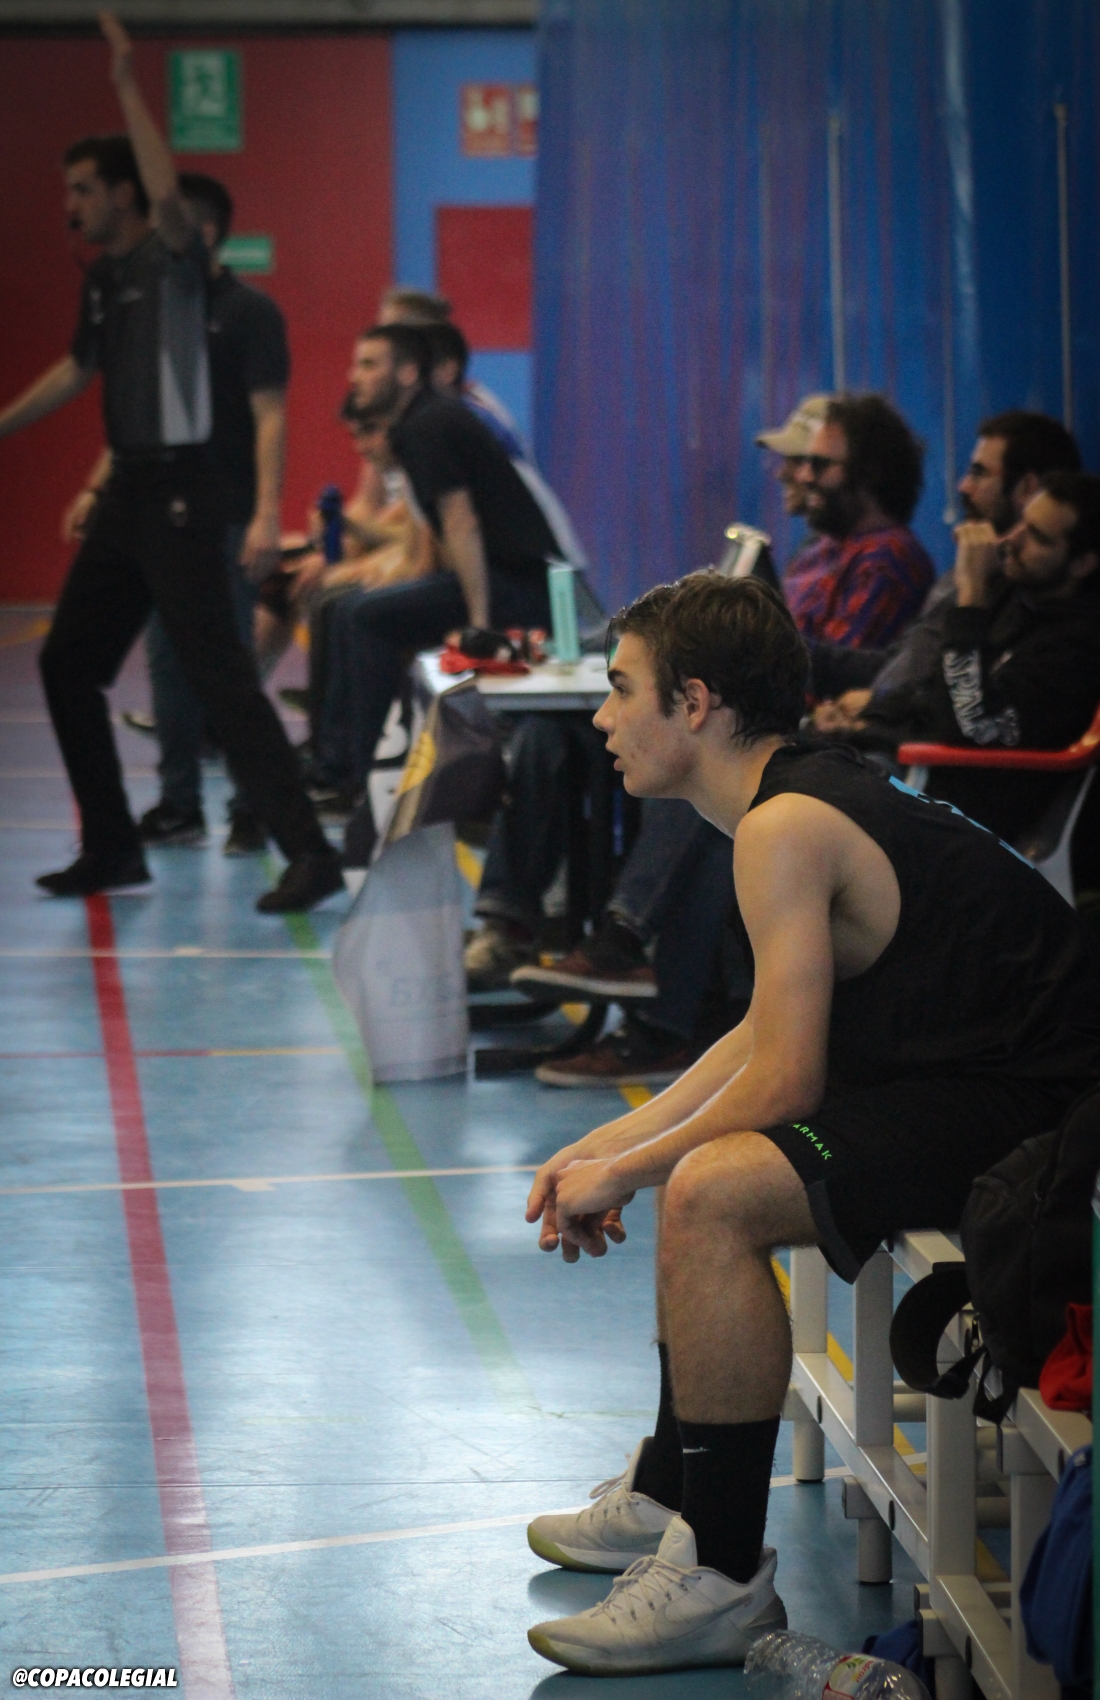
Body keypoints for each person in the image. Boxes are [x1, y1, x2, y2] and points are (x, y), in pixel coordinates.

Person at [520, 571, 1100, 1676]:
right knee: (697, 1168)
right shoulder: (790, 800)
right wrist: (614, 1145)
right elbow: (757, 1033)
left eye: (620, 688)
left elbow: (786, 1083)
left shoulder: (784, 824)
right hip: (982, 1079)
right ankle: (671, 1489)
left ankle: (719, 1577)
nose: (600, 716)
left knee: (712, 1189)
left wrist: (636, 1170)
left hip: (1043, 1115)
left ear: (694, 703)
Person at [0, 17, 341, 911]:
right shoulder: (105, 280)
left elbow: (168, 196)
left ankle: (309, 852)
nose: (71, 203)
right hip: (130, 491)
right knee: (68, 664)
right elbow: (76, 369)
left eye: (84, 188)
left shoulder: (174, 262)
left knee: (219, 676)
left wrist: (125, 85)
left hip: (187, 495)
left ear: (127, 196)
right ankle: (114, 847)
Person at [464, 395, 832, 1086]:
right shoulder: (814, 556)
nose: (792, 474)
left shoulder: (885, 562)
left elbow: (866, 674)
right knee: (548, 734)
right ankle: (522, 924)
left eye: (813, 463)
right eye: (791, 462)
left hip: (810, 732)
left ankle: (636, 961)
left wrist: (767, 651)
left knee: (695, 782)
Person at [67, 171, 292, 857]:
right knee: (167, 661)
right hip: (163, 520)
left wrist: (266, 514)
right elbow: (138, 419)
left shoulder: (250, 312)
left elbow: (270, 417)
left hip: (227, 517)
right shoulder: (159, 313)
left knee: (229, 669)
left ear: (204, 234)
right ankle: (179, 805)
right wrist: (95, 489)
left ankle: (254, 807)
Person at [307, 323, 555, 822]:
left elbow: (462, 523)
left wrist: (480, 624)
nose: (355, 375)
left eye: (369, 364)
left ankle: (373, 782)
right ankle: (340, 767)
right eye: (356, 364)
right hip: (500, 581)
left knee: (365, 617)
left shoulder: (428, 426)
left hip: (521, 590)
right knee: (351, 609)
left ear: (407, 373)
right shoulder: (422, 422)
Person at [833, 471, 1100, 843]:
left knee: (805, 794)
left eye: (1038, 537)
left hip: (965, 812)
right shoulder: (1017, 594)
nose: (1012, 539)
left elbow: (972, 725)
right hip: (913, 767)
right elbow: (933, 691)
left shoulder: (1077, 648)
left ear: (1082, 564)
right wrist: (863, 719)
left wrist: (971, 596)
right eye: (1022, 523)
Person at [810, 410, 1082, 713]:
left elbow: (967, 714)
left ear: (1027, 488)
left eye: (979, 473)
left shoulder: (1037, 613)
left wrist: (972, 596)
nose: (963, 486)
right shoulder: (971, 571)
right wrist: (787, 650)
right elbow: (900, 667)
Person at [783, 393, 934, 647]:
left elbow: (834, 661)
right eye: (805, 462)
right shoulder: (823, 545)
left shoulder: (887, 560)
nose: (804, 476)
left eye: (819, 464)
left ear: (869, 473)